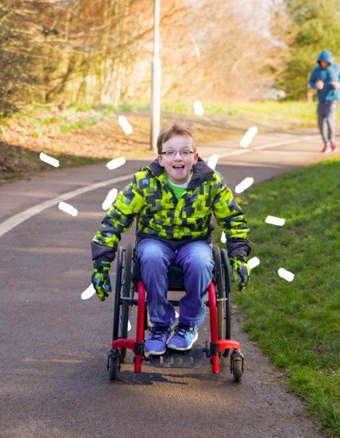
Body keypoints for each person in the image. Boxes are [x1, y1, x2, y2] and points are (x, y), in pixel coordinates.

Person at [90, 122, 251, 355]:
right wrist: (101, 265)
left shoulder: (210, 182)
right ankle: (160, 325)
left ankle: (188, 325)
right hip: (155, 241)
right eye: (170, 152)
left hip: (194, 243)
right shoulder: (144, 183)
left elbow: (234, 220)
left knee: (201, 260)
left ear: (195, 157)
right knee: (152, 256)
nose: (178, 157)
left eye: (185, 152)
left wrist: (239, 258)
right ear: (160, 158)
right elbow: (114, 219)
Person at [308, 49, 340, 153]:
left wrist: (339, 84)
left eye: (325, 62)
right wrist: (315, 85)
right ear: (319, 61)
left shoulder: (336, 68)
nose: (323, 63)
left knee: (330, 119)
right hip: (321, 100)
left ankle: (332, 141)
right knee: (321, 122)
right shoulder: (316, 70)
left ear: (329, 61)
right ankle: (326, 143)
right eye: (321, 61)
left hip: (333, 98)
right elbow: (311, 82)